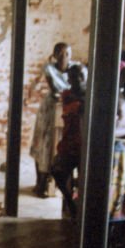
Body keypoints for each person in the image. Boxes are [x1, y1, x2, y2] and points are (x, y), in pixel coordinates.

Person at [30, 42, 75, 198]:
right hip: (51, 108)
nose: (64, 58)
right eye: (60, 54)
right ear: (55, 55)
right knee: (44, 144)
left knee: (59, 145)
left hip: (68, 108)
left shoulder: (75, 68)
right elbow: (57, 88)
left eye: (67, 54)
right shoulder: (49, 68)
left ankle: (54, 182)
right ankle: (40, 182)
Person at [50, 64, 87, 219]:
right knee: (57, 169)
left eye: (80, 76)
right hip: (70, 142)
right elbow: (72, 108)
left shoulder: (91, 94)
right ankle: (69, 200)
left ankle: (81, 205)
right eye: (73, 76)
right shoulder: (67, 95)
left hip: (86, 144)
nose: (77, 79)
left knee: (87, 178)